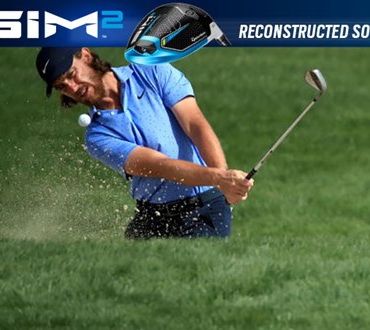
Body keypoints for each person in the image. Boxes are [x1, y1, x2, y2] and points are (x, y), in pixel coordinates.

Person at [35, 46, 253, 239]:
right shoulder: (97, 136)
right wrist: (220, 178)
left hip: (201, 209)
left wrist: (222, 178)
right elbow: (160, 165)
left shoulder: (151, 70)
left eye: (72, 75)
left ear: (86, 56)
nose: (72, 88)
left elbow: (195, 125)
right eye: (62, 86)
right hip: (151, 216)